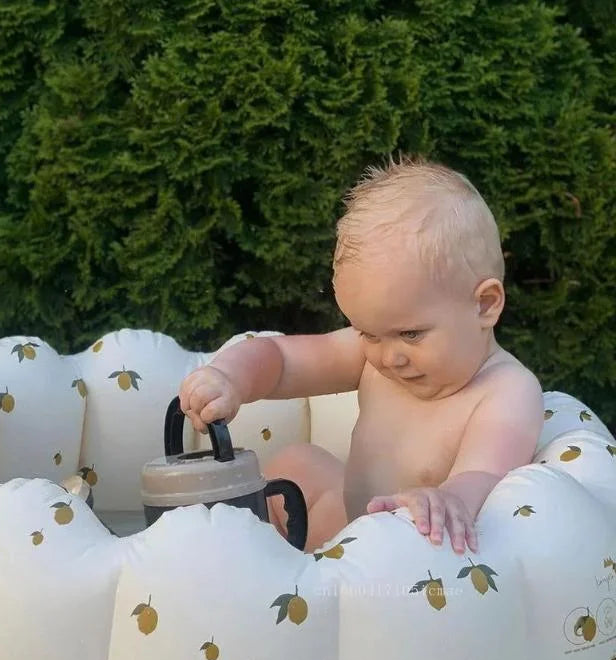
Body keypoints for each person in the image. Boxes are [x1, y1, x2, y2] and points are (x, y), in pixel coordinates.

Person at [178, 156, 545, 555]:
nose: (388, 357)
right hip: (348, 523)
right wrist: (231, 377)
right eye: (369, 333)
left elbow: (484, 475)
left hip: (410, 558)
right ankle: (264, 565)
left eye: (410, 333)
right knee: (295, 463)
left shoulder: (506, 391)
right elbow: (283, 360)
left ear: (485, 305)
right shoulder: (375, 358)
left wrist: (446, 500)